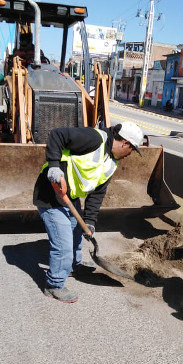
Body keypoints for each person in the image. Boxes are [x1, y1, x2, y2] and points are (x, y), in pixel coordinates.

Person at [33, 122, 143, 303]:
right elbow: (57, 134)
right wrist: (53, 165)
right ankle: (54, 285)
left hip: (70, 196)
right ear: (125, 143)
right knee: (63, 245)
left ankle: (73, 266)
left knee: (77, 231)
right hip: (51, 193)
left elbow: (97, 193)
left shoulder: (112, 163)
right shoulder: (94, 139)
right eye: (132, 150)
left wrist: (90, 220)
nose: (130, 154)